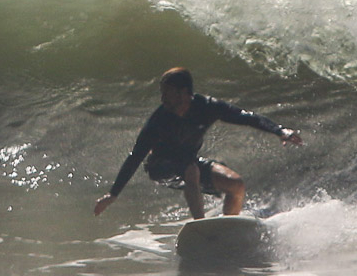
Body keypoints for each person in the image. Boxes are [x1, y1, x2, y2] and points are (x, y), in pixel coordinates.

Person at [93, 67, 303, 220]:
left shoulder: (207, 107)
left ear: (184, 92)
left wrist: (279, 131)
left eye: (167, 93)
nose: (162, 98)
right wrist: (113, 194)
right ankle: (200, 226)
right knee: (190, 169)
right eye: (162, 93)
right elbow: (136, 156)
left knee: (236, 184)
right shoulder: (159, 120)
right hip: (160, 168)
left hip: (189, 164)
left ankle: (227, 228)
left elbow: (245, 117)